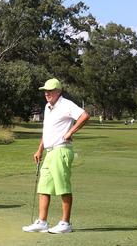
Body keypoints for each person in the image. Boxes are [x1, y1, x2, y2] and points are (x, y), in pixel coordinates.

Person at [23, 78, 90, 234]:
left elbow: (84, 115)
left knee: (63, 187)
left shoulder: (66, 104)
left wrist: (70, 132)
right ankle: (42, 222)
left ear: (58, 91)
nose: (47, 94)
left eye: (50, 91)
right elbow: (47, 131)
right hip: (49, 151)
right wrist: (40, 149)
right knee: (43, 187)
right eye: (45, 91)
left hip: (61, 150)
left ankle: (65, 223)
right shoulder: (48, 107)